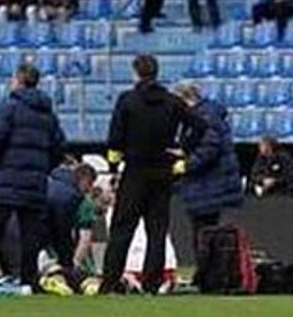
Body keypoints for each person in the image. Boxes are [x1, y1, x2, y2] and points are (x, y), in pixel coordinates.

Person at [101, 56, 202, 294]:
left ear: (136, 73)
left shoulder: (127, 100)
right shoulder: (172, 101)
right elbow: (199, 125)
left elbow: (115, 139)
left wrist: (114, 168)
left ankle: (111, 282)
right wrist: (182, 149)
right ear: (156, 74)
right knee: (156, 231)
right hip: (162, 172)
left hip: (135, 171)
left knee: (121, 230)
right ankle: (152, 282)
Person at [0, 64, 64, 291]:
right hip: (35, 183)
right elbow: (58, 149)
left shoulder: (8, 108)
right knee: (31, 236)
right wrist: (41, 169)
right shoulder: (48, 115)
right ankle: (28, 281)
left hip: (6, 180)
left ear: (19, 80)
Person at [171, 83, 242, 244]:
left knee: (203, 232)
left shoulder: (204, 117)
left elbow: (209, 148)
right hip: (207, 183)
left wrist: (186, 165)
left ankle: (208, 267)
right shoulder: (205, 115)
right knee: (204, 231)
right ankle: (208, 267)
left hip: (208, 183)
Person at [43, 161, 98, 285]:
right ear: (84, 179)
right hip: (60, 249)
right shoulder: (79, 200)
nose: (89, 189)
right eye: (89, 184)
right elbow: (83, 237)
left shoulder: (51, 183)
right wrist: (72, 263)